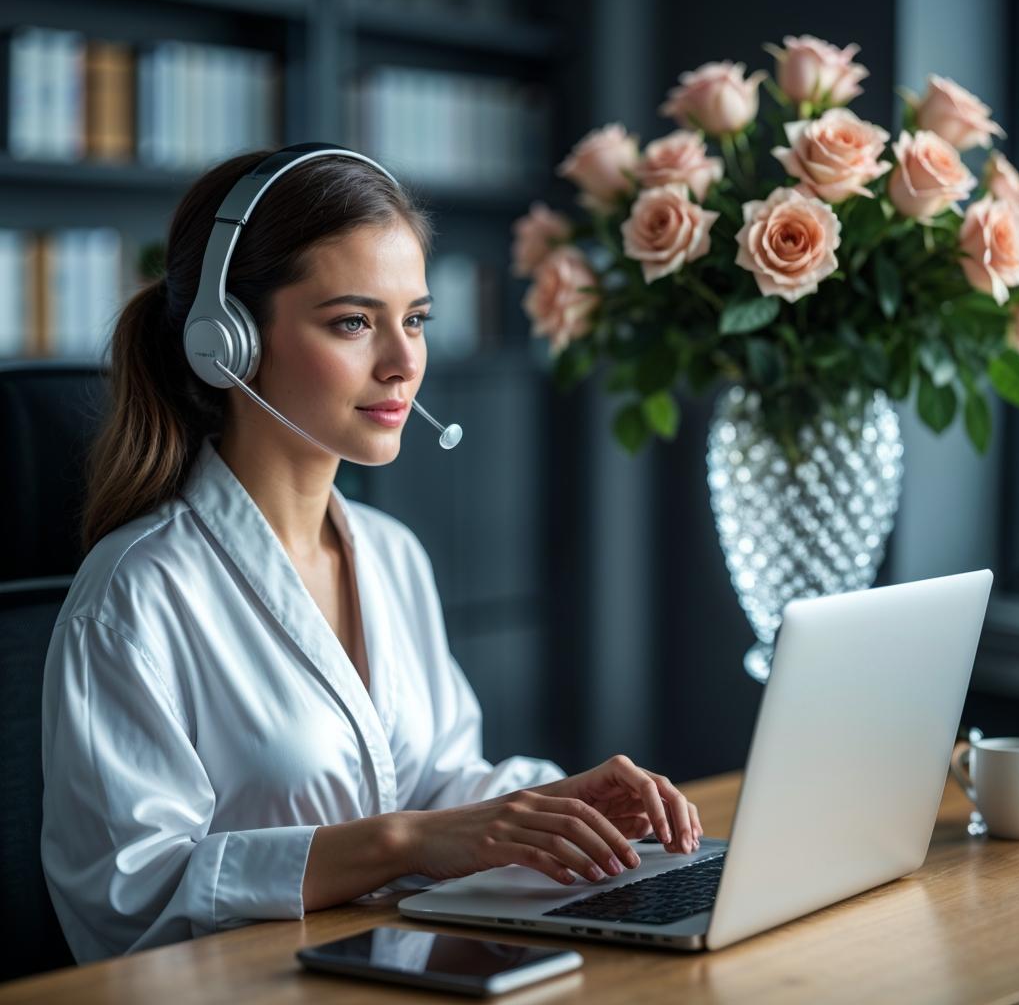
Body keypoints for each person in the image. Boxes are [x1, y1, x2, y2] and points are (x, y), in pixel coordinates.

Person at [40, 149, 703, 964]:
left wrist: (548, 804)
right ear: (229, 344)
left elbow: (430, 784)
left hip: (396, 963)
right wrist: (401, 844)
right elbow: (125, 901)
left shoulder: (392, 556)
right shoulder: (137, 594)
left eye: (415, 319)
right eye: (354, 322)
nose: (402, 363)